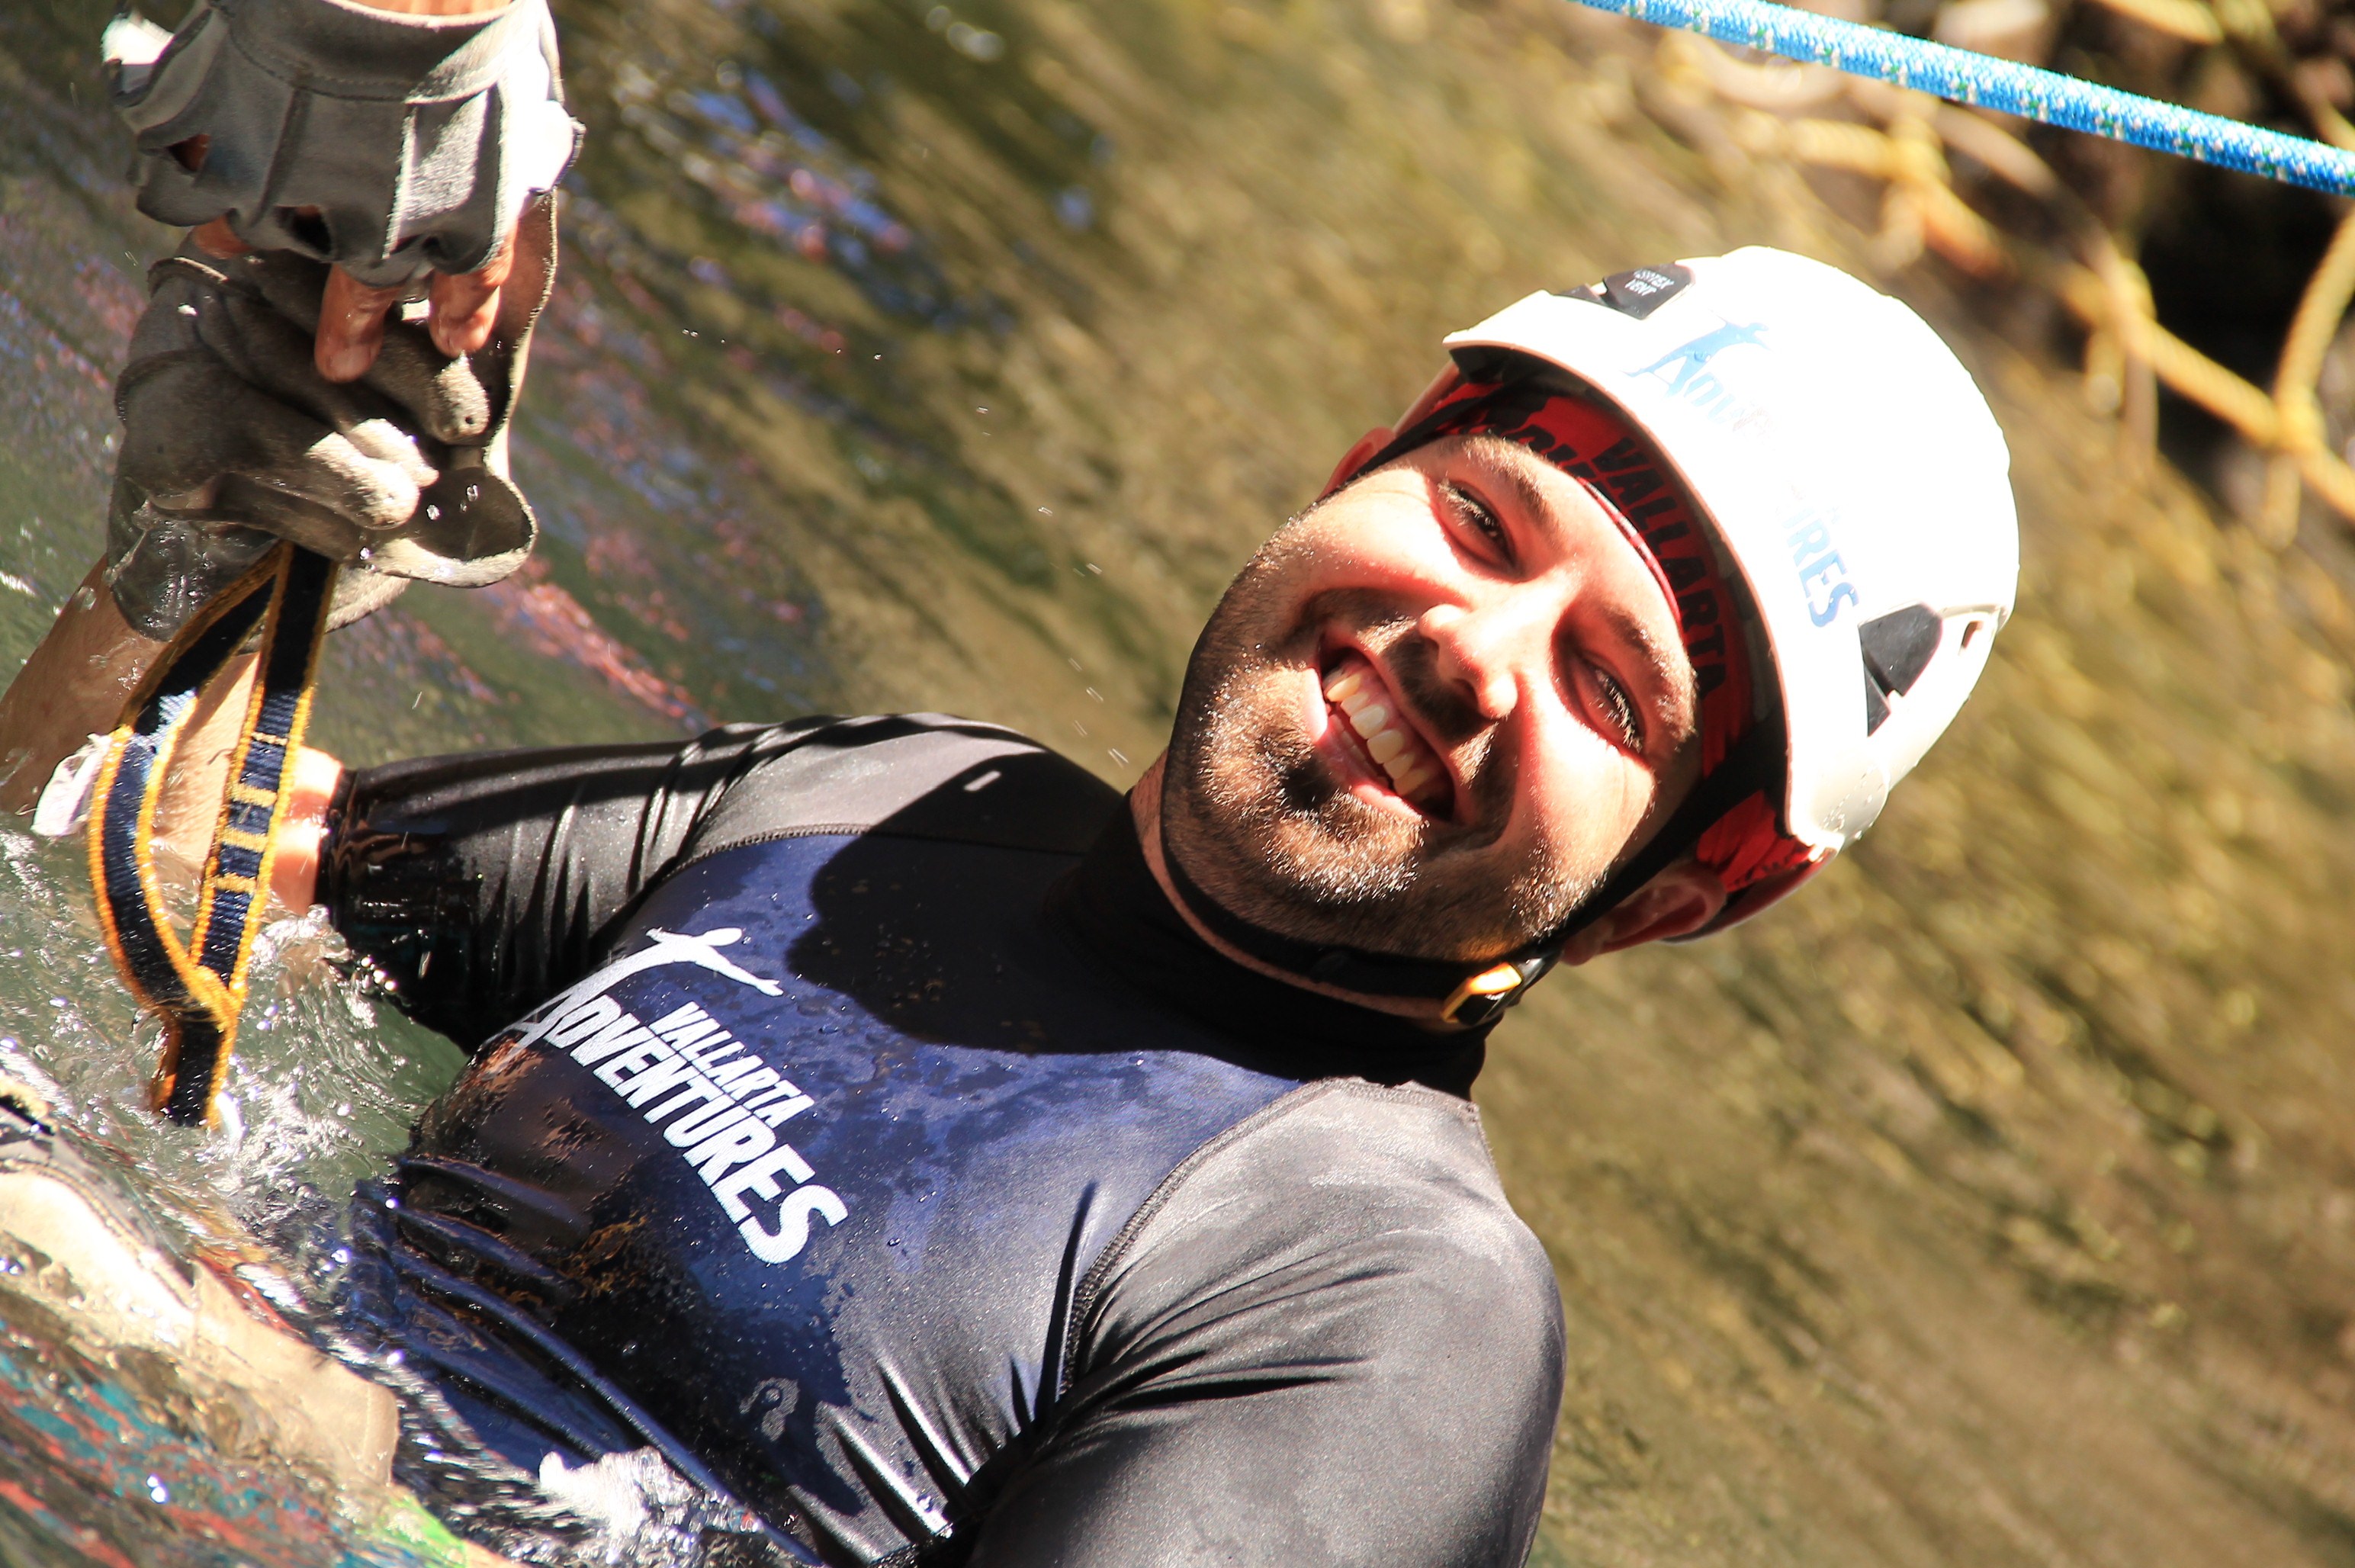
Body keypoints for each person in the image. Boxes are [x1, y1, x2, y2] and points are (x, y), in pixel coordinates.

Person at [0, 5, 2020, 1565]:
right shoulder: (886, 808)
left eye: (1607, 686)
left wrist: (235, 1391)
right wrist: (219, 524)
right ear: (1364, 467)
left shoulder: (1377, 1304)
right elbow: (100, 855)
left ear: (1676, 891)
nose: (1467, 653)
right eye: (1486, 523)